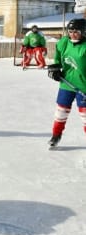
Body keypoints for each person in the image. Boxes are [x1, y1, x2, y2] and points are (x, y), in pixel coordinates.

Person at [47, 18, 86, 148]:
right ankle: (56, 135)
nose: (73, 34)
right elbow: (57, 57)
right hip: (66, 84)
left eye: (76, 31)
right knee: (61, 111)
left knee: (85, 116)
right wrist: (56, 68)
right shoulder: (64, 42)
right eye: (70, 31)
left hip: (84, 86)